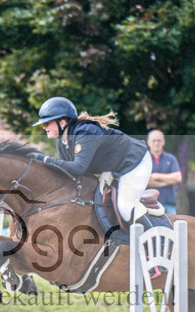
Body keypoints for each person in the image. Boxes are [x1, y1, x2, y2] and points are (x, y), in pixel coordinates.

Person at [30, 96, 152, 225]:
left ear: (62, 122)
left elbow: (78, 168)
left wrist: (46, 159)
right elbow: (66, 172)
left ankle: (155, 238)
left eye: (47, 123)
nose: (44, 127)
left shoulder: (86, 132)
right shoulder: (61, 142)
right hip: (114, 167)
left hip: (134, 162)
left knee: (125, 207)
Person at [146, 129, 182, 214]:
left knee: (173, 227)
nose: (156, 143)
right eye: (154, 140)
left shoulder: (171, 158)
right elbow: (146, 181)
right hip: (148, 204)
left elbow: (178, 177)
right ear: (148, 142)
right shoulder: (143, 159)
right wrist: (168, 181)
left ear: (163, 142)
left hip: (168, 204)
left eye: (159, 140)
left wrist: (156, 176)